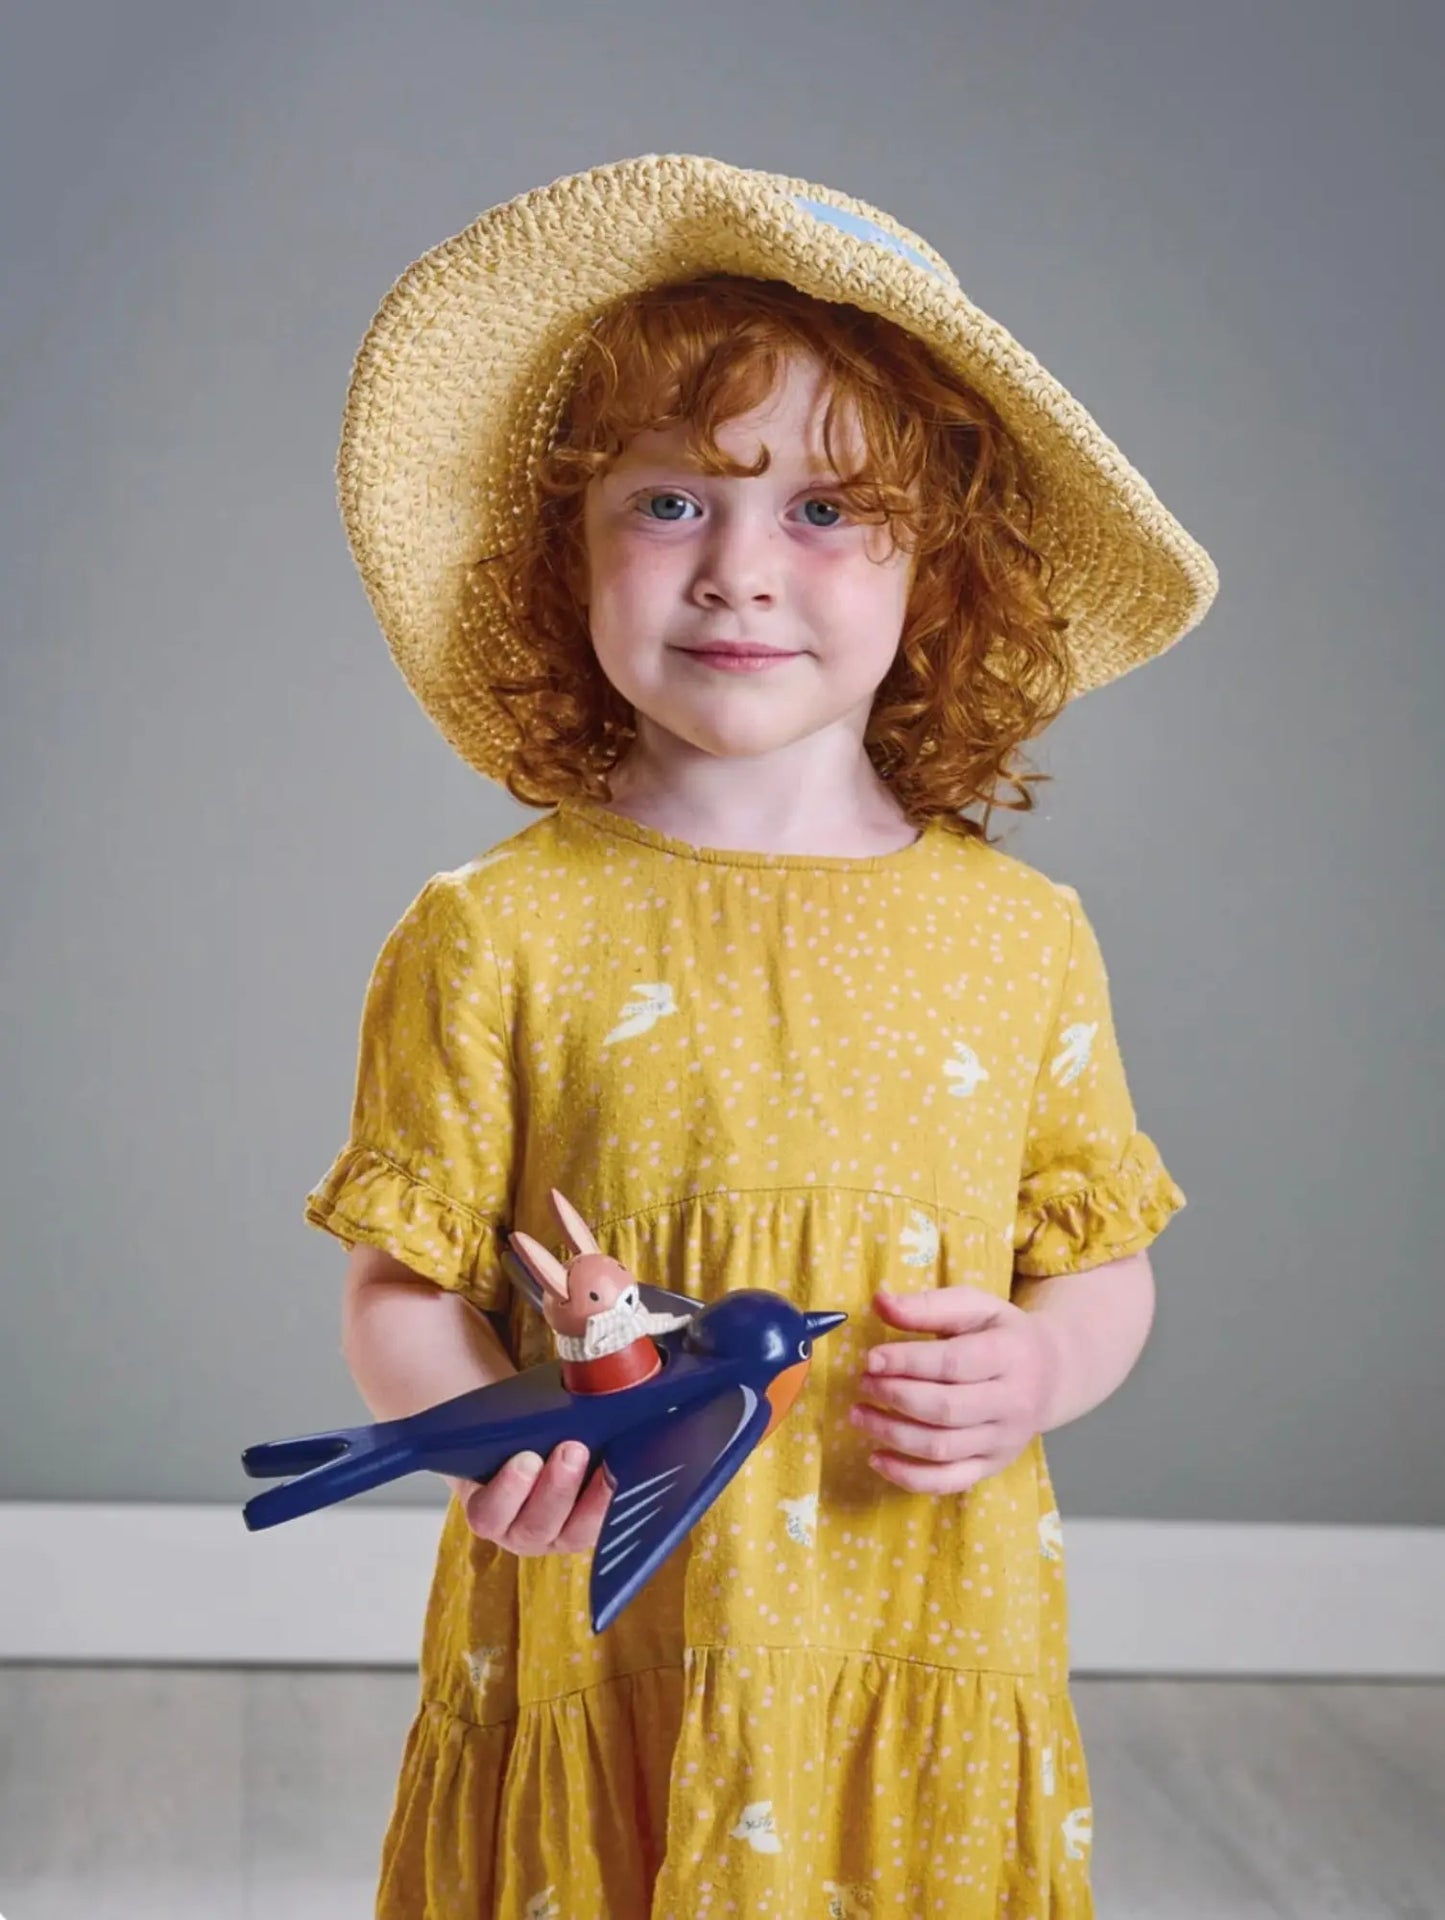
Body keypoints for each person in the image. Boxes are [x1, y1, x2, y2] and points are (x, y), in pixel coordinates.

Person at [305, 153, 1218, 1918]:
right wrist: (496, 1435)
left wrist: (1038, 1372)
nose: (735, 567)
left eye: (822, 510)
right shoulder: (494, 929)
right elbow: (401, 1286)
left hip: (914, 1611)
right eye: (666, 506)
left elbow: (1097, 1257)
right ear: (560, 556)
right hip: (607, 1623)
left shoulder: (1018, 937)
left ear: (934, 574)